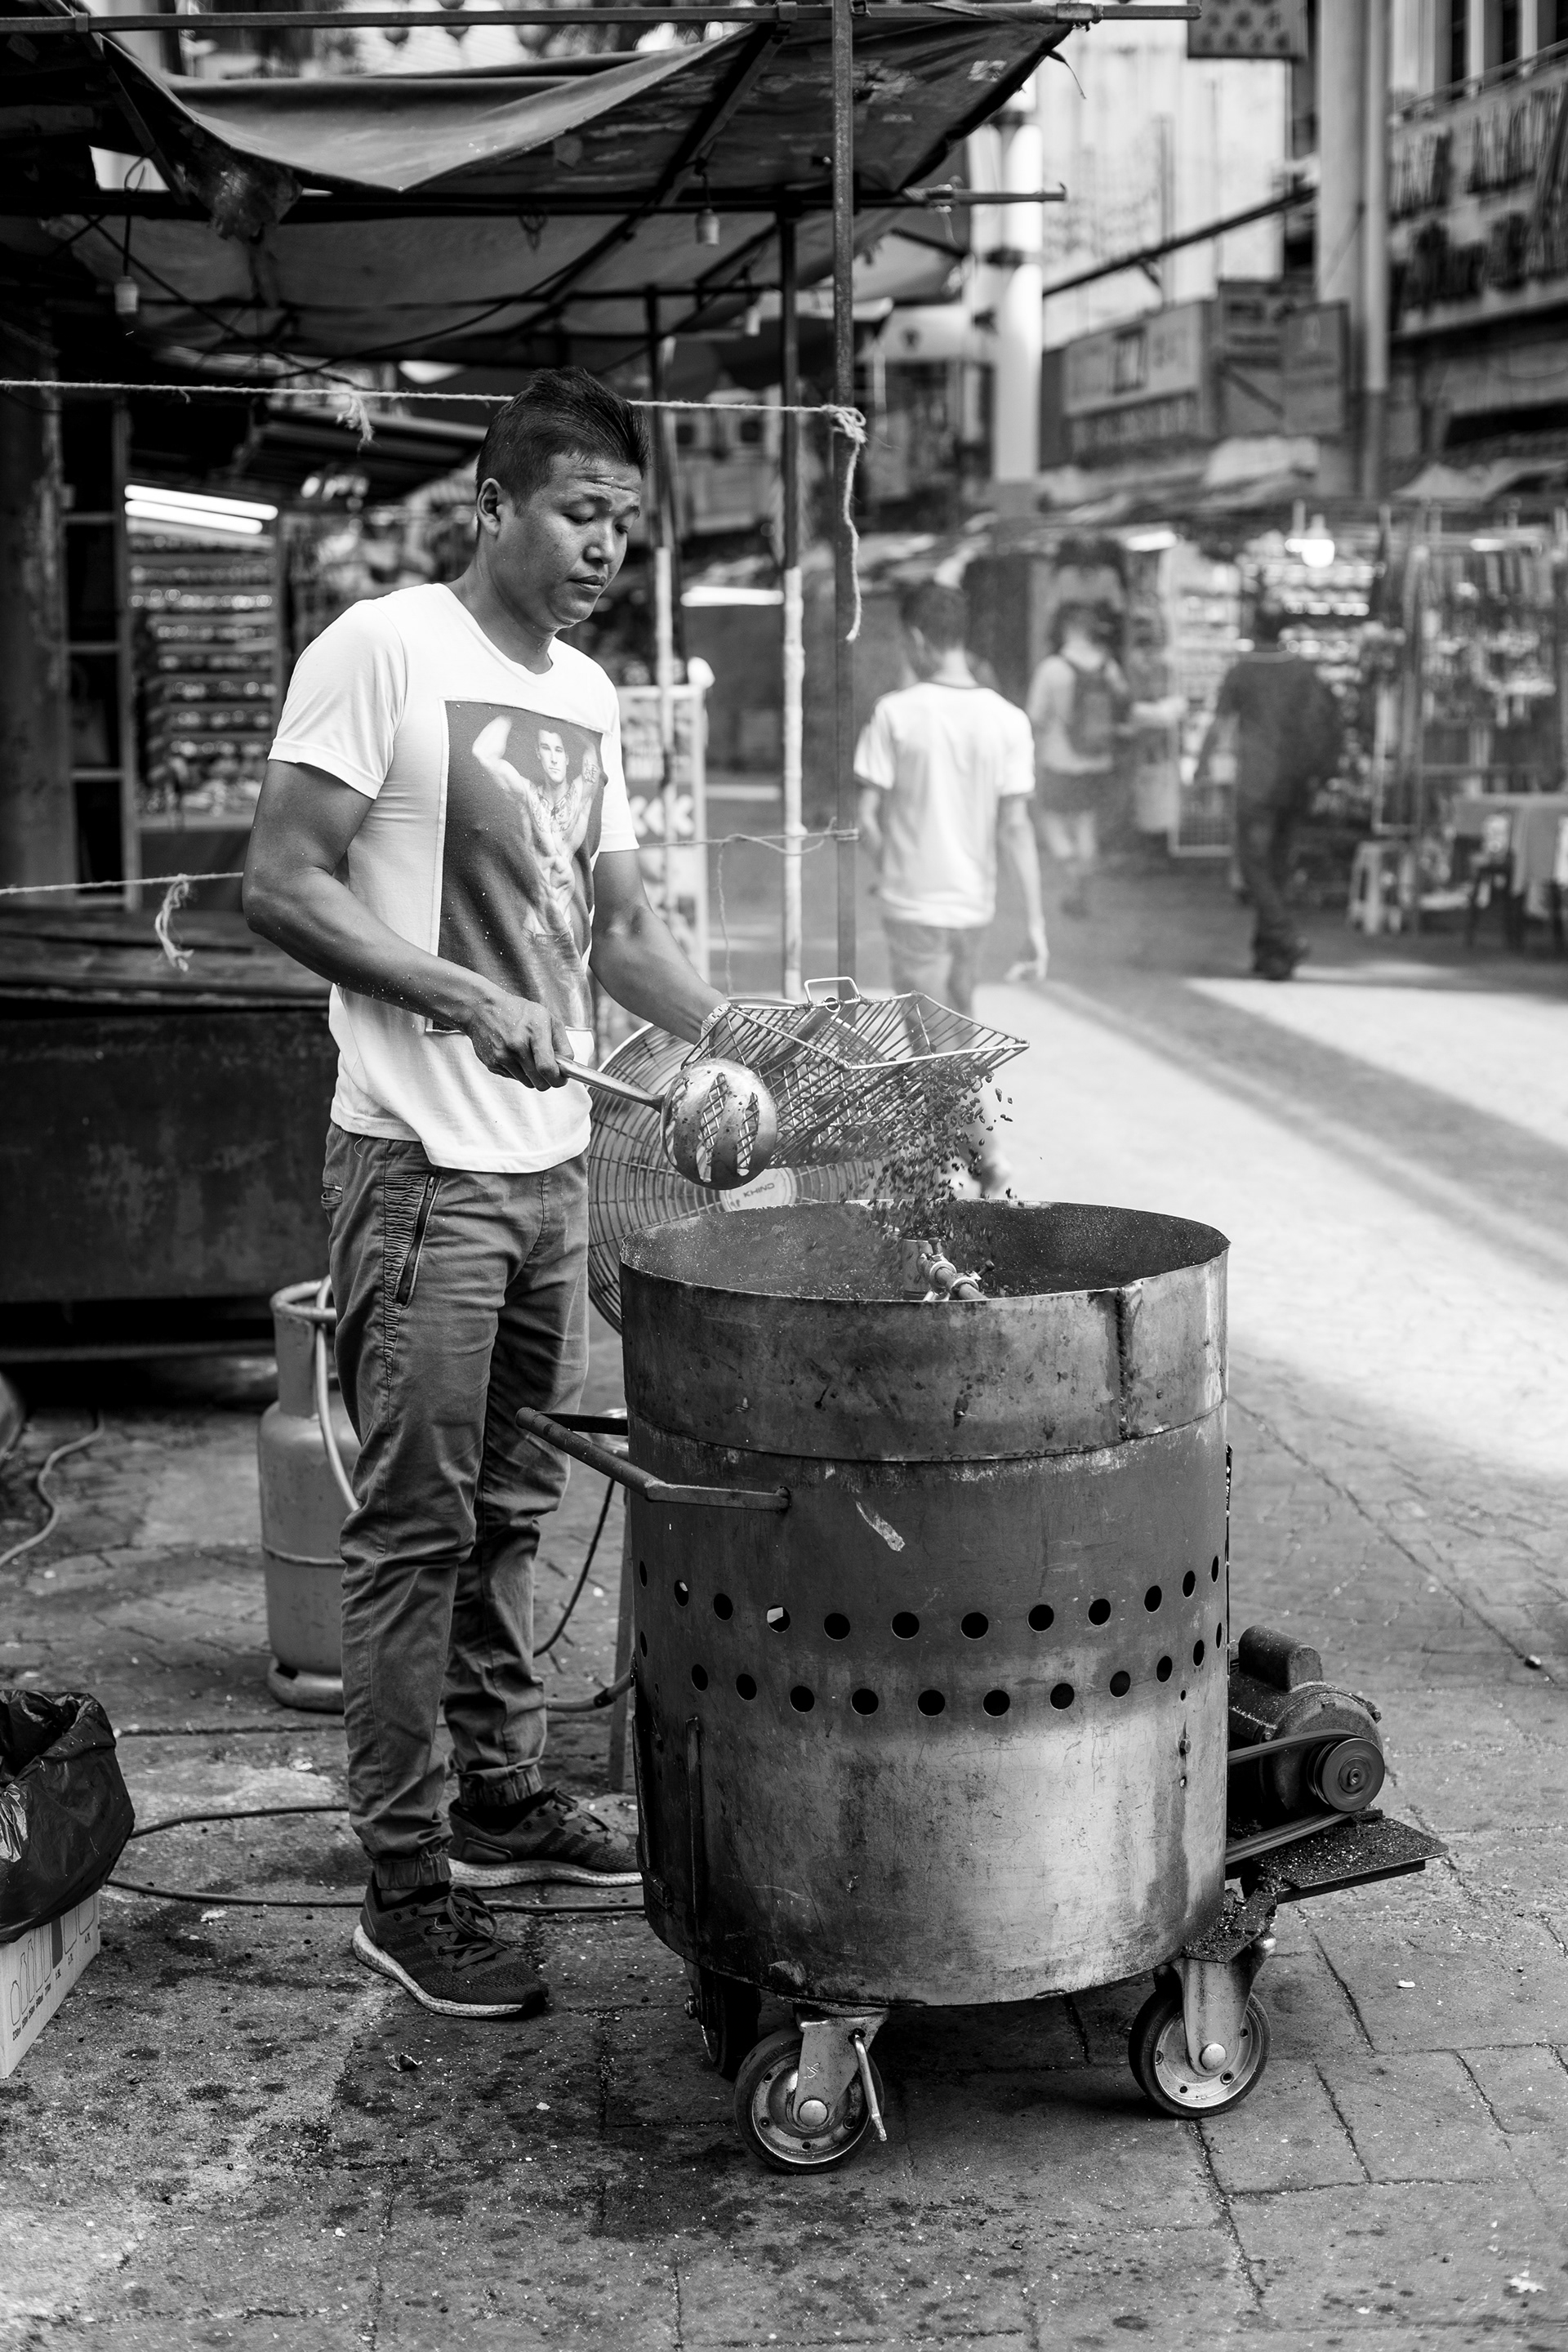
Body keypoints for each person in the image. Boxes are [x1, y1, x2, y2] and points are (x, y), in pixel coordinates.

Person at [243, 370, 723, 2020]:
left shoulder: (586, 695)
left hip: (551, 1176)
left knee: (515, 1512)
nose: (607, 549)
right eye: (583, 515)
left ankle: (503, 1795)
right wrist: (457, 998)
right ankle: (404, 1880)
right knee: (411, 1535)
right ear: (498, 505)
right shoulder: (382, 648)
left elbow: (626, 936)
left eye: (628, 527)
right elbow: (278, 882)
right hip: (424, 1173)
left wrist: (764, 1048)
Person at [855, 581, 1045, 1196]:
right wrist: (1036, 924)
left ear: (915, 637)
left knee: (936, 1046)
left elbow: (868, 820)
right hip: (974, 908)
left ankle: (981, 1165)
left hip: (915, 904)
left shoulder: (896, 713)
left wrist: (885, 876)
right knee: (952, 1033)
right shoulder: (1008, 720)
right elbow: (1016, 828)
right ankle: (954, 1165)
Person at [1202, 604, 1343, 980]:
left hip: (1258, 780)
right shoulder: (1302, 670)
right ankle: (1270, 955)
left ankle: (1283, 934)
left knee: (1252, 863)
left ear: (1253, 627)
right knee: (1277, 863)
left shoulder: (1244, 670)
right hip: (1296, 780)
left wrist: (1201, 768)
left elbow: (1220, 726)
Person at [1026, 600, 1132, 918]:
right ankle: (1083, 874)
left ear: (1067, 630)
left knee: (1052, 819)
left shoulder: (1053, 669)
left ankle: (1072, 868)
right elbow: (1124, 704)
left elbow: (1035, 715)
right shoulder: (1108, 667)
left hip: (1060, 760)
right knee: (1086, 821)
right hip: (1098, 761)